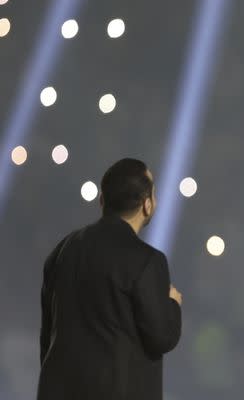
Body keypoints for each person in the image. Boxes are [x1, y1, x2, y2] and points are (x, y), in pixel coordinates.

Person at [37, 158, 182, 400]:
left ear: (102, 200)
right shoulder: (147, 260)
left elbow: (47, 333)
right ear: (147, 204)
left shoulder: (63, 250)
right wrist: (172, 304)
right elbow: (161, 337)